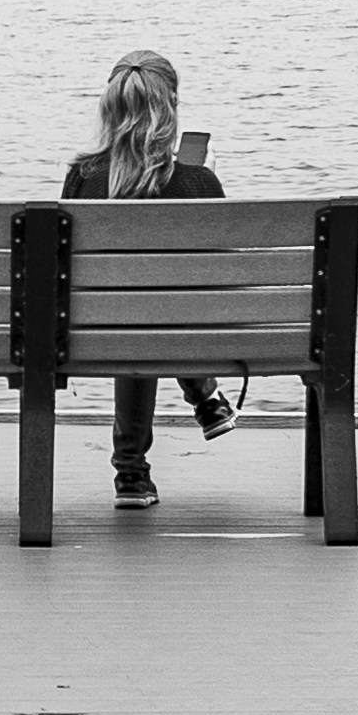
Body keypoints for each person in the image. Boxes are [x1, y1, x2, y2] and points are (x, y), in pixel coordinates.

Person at [63, 47, 242, 509]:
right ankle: (203, 395)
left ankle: (131, 476)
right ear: (171, 110)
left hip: (93, 333)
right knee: (160, 310)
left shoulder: (82, 179)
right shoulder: (197, 183)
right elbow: (219, 276)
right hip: (177, 329)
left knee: (136, 313)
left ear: (110, 108)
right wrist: (206, 179)